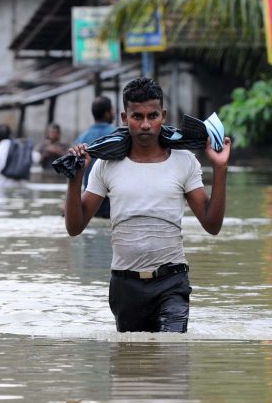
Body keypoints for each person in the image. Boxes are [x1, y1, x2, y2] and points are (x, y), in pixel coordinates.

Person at [63, 77, 231, 333]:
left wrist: (220, 168)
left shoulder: (184, 161)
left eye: (152, 116)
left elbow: (212, 224)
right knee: (130, 366)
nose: (145, 124)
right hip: (125, 284)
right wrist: (75, 180)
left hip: (171, 283)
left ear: (163, 115)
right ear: (123, 117)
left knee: (170, 351)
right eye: (136, 116)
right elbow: (75, 227)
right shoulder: (106, 164)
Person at [75, 95, 117, 218]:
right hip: (110, 200)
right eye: (112, 109)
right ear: (107, 113)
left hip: (88, 198)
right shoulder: (117, 136)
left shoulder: (82, 139)